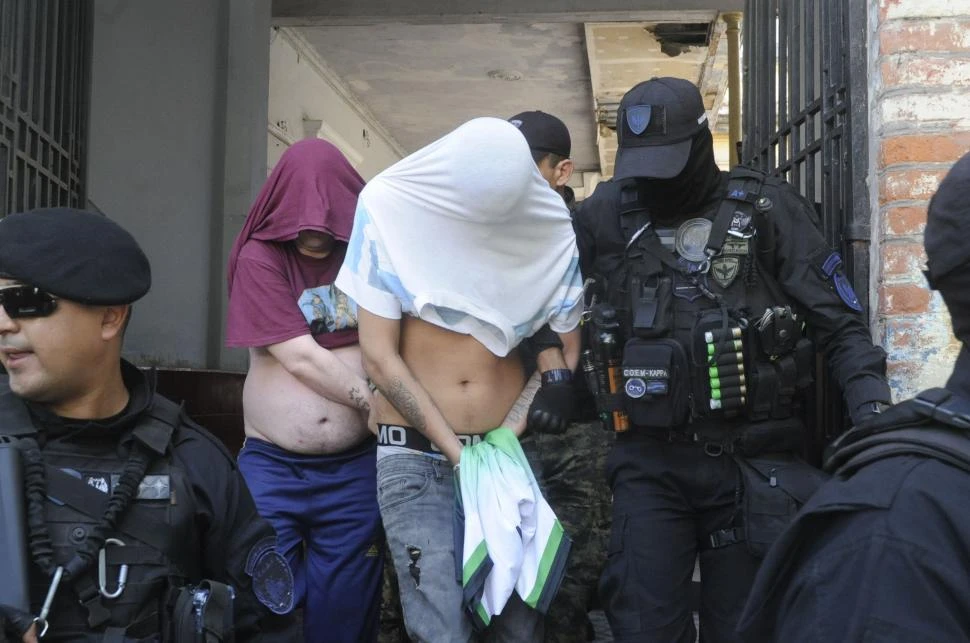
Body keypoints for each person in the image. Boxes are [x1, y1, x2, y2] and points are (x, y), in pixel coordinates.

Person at [572, 77, 892, 643]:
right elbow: (550, 297)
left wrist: (872, 414)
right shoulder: (603, 215)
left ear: (702, 144)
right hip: (649, 462)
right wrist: (554, 375)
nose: (654, 180)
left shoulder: (768, 208)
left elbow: (841, 327)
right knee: (644, 627)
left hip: (752, 463)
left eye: (667, 162)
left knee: (746, 628)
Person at [335, 116, 585, 642]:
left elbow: (562, 351)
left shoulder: (545, 226)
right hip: (418, 458)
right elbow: (379, 358)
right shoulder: (390, 209)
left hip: (504, 458)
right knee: (440, 630)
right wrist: (458, 453)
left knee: (519, 629)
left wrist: (501, 441)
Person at [0, 208, 296, 643]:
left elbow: (268, 629)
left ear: (109, 318)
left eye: (25, 302)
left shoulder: (196, 464)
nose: (4, 323)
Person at [738, 151, 970, 642]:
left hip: (760, 456)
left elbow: (840, 325)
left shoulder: (896, 524)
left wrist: (869, 406)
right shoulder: (893, 534)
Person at [225, 139, 382, 643]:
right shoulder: (259, 255)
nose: (314, 234)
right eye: (303, 223)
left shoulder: (368, 253)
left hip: (357, 464)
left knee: (349, 605)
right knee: (260, 600)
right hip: (274, 466)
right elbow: (298, 356)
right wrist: (371, 402)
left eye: (326, 223)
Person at [509, 110, 613, 643]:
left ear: (562, 170)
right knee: (510, 583)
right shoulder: (491, 235)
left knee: (575, 577)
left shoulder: (593, 229)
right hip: (509, 430)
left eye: (527, 165)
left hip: (585, 430)